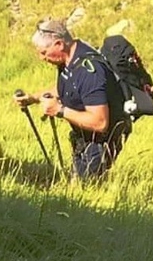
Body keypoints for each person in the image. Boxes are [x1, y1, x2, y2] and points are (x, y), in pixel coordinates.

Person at [28, 18, 126, 179]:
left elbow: (100, 122)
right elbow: (68, 88)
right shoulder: (68, 59)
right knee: (77, 186)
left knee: (85, 190)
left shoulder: (89, 71)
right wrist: (33, 98)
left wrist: (59, 110)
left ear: (59, 44)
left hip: (100, 143)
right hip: (83, 139)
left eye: (44, 52)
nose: (42, 57)